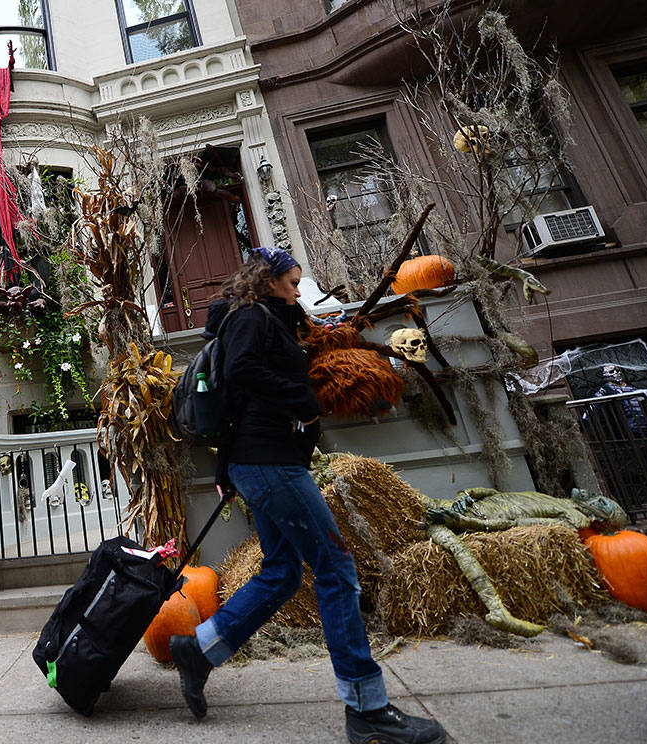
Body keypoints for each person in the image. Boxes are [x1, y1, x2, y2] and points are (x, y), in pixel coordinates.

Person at [169, 246, 446, 744]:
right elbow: (241, 375)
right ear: (267, 278)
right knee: (337, 571)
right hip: (271, 463)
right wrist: (304, 400)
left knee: (280, 573)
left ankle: (200, 649)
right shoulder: (251, 317)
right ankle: (367, 709)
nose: (299, 288)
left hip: (265, 461)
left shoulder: (267, 317)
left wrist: (230, 464)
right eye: (292, 280)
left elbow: (240, 392)